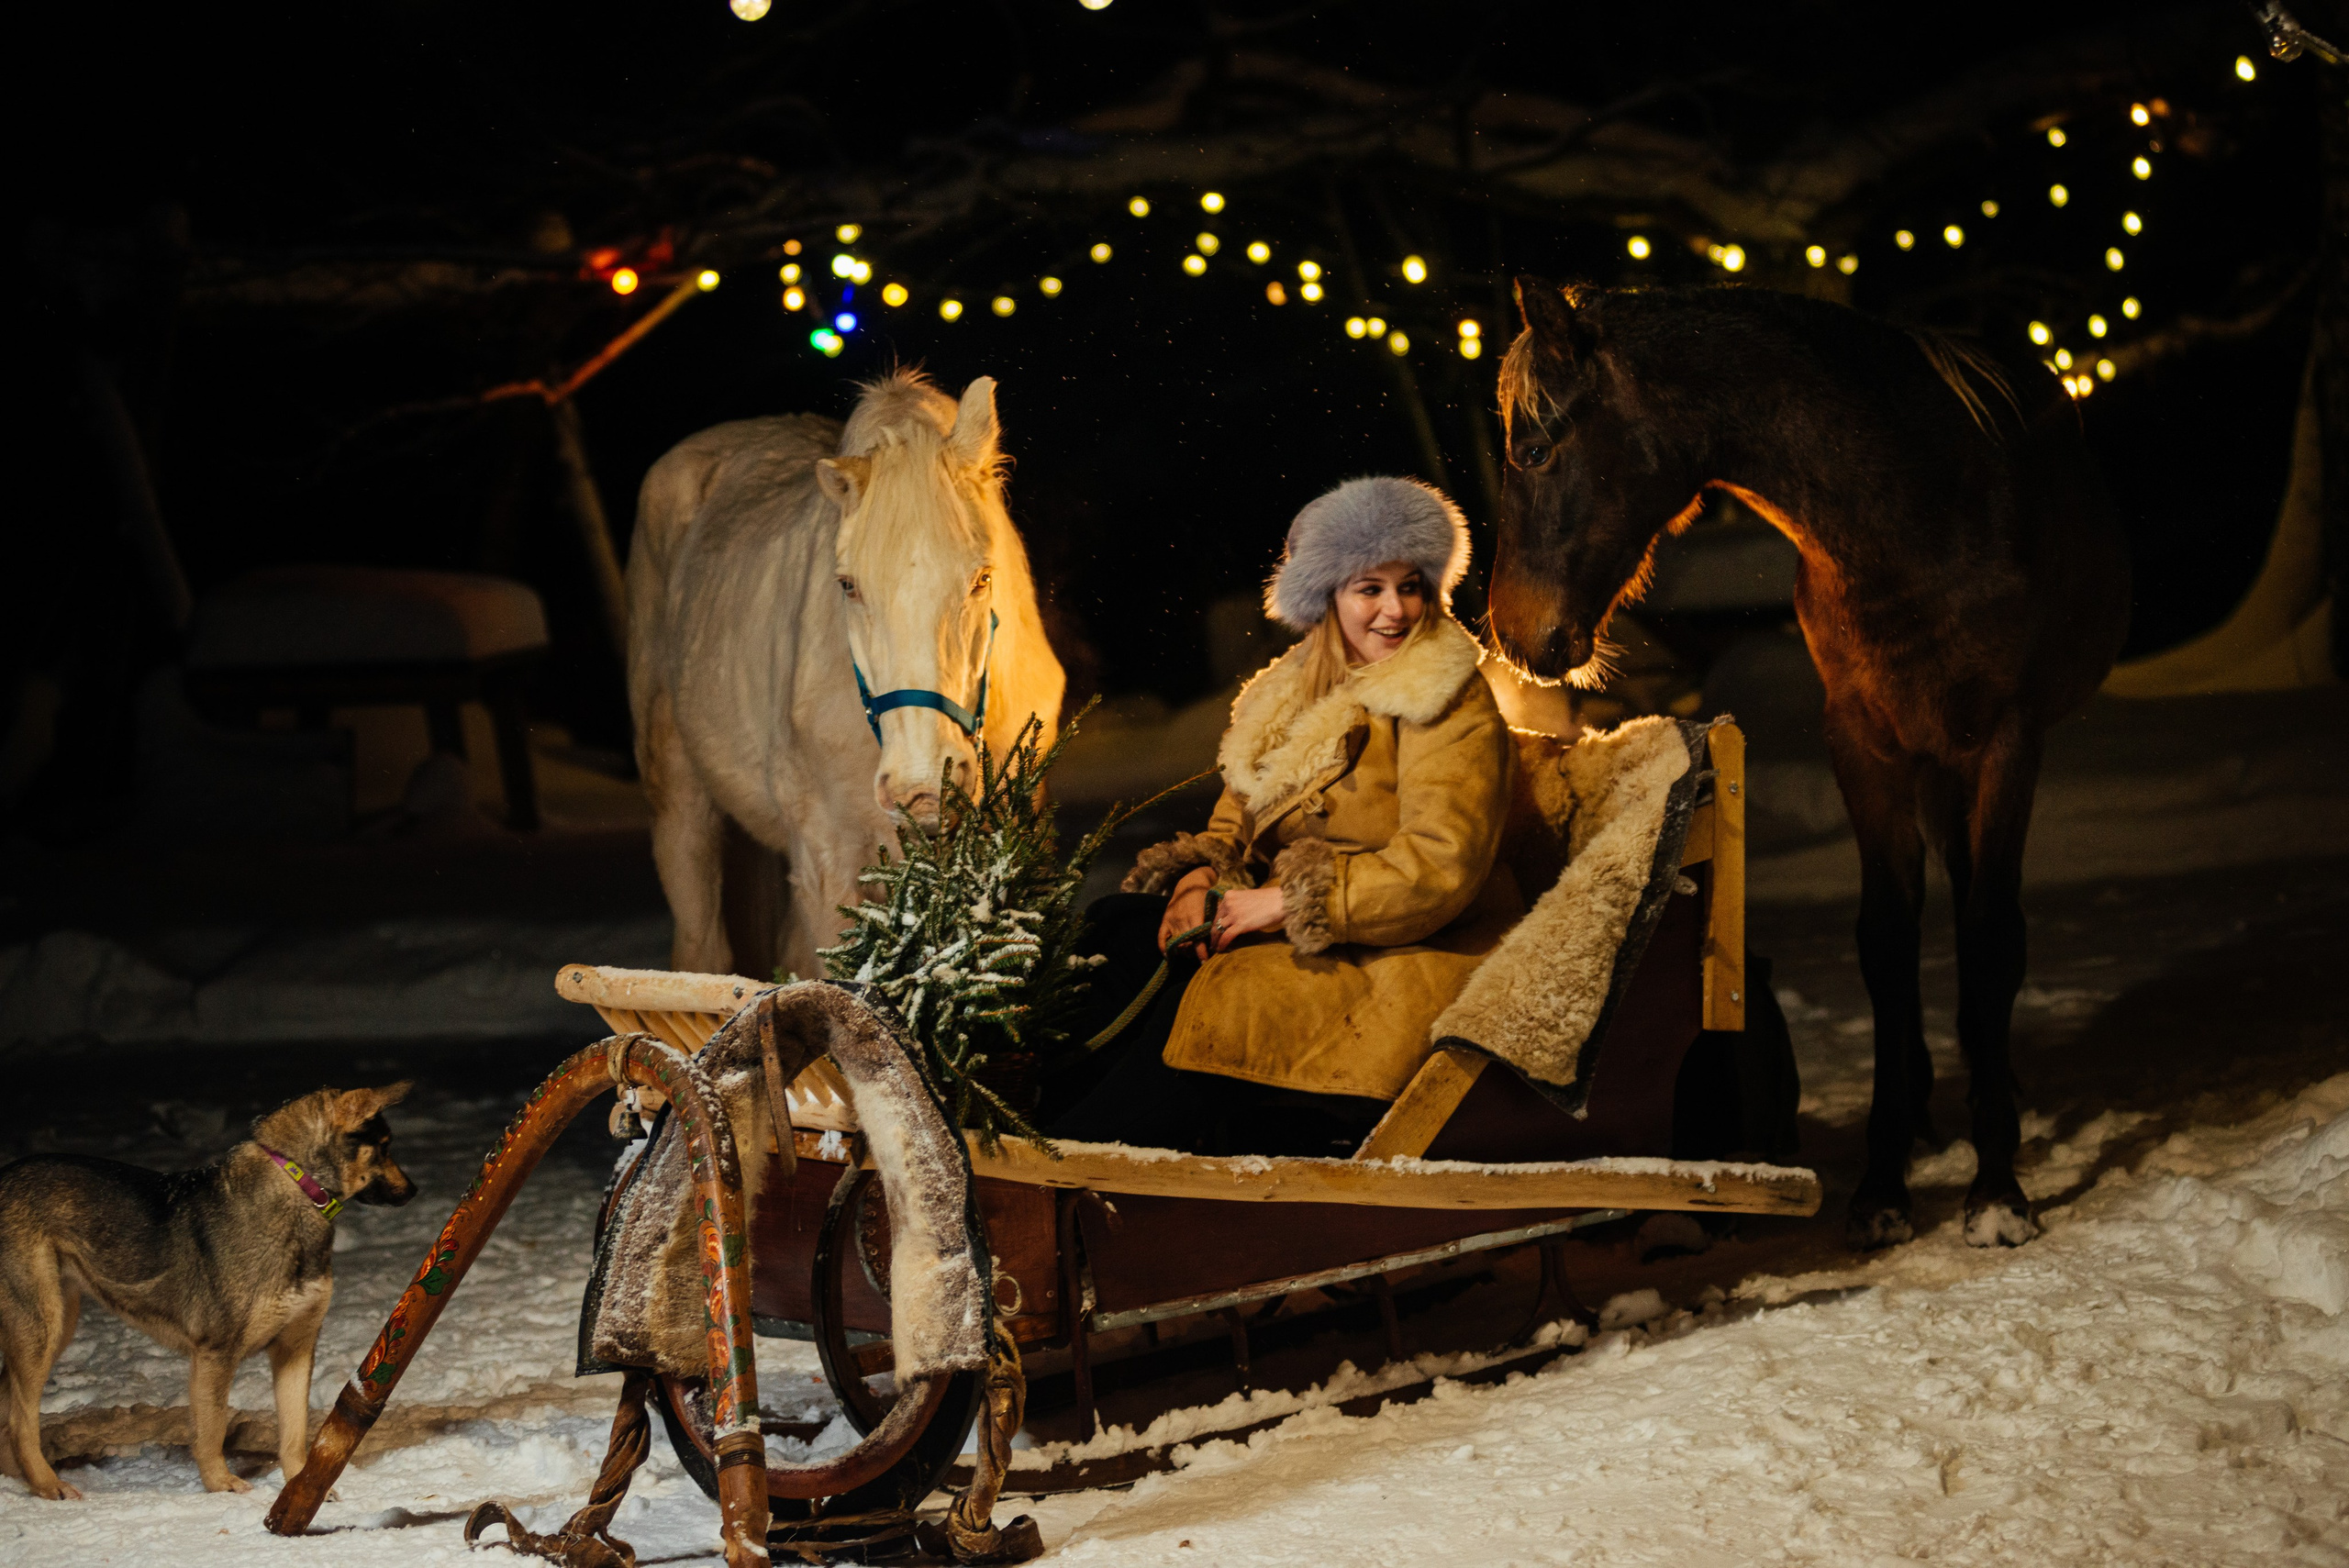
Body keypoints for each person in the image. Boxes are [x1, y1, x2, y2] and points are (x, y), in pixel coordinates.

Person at [1046, 476, 1522, 1156]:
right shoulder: (1291, 690)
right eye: (1370, 588)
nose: (1396, 610)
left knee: (1230, 996)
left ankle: (1083, 1157)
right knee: (1117, 929)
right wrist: (1195, 883)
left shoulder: (1444, 695)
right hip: (1308, 929)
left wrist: (1284, 903)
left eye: (1411, 585)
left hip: (1403, 949)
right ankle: (1039, 1121)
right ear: (1327, 596)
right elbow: (1230, 823)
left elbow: (1440, 869)